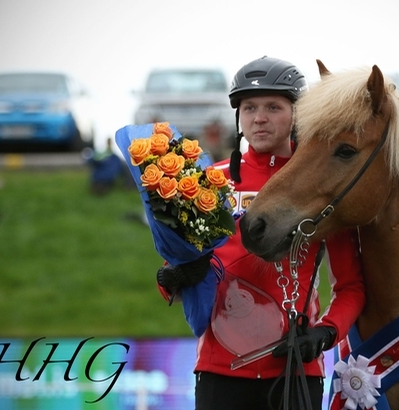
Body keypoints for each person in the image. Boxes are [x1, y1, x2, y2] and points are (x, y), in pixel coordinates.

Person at [155, 56, 365, 410]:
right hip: (219, 372)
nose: (259, 117)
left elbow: (352, 287)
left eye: (273, 107)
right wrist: (172, 277)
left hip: (296, 370)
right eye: (249, 107)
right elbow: (173, 270)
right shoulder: (209, 182)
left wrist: (325, 333)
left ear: (297, 114)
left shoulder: (323, 188)